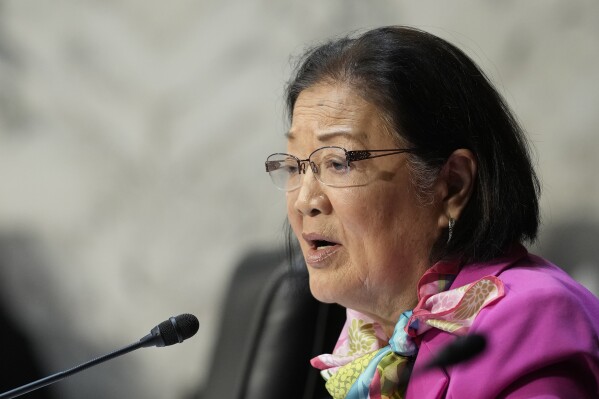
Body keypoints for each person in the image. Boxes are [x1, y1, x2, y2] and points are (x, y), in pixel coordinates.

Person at [264, 26, 599, 398]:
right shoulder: (368, 336)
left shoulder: (531, 322)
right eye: (294, 166)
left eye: (339, 162)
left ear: (452, 184)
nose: (304, 200)